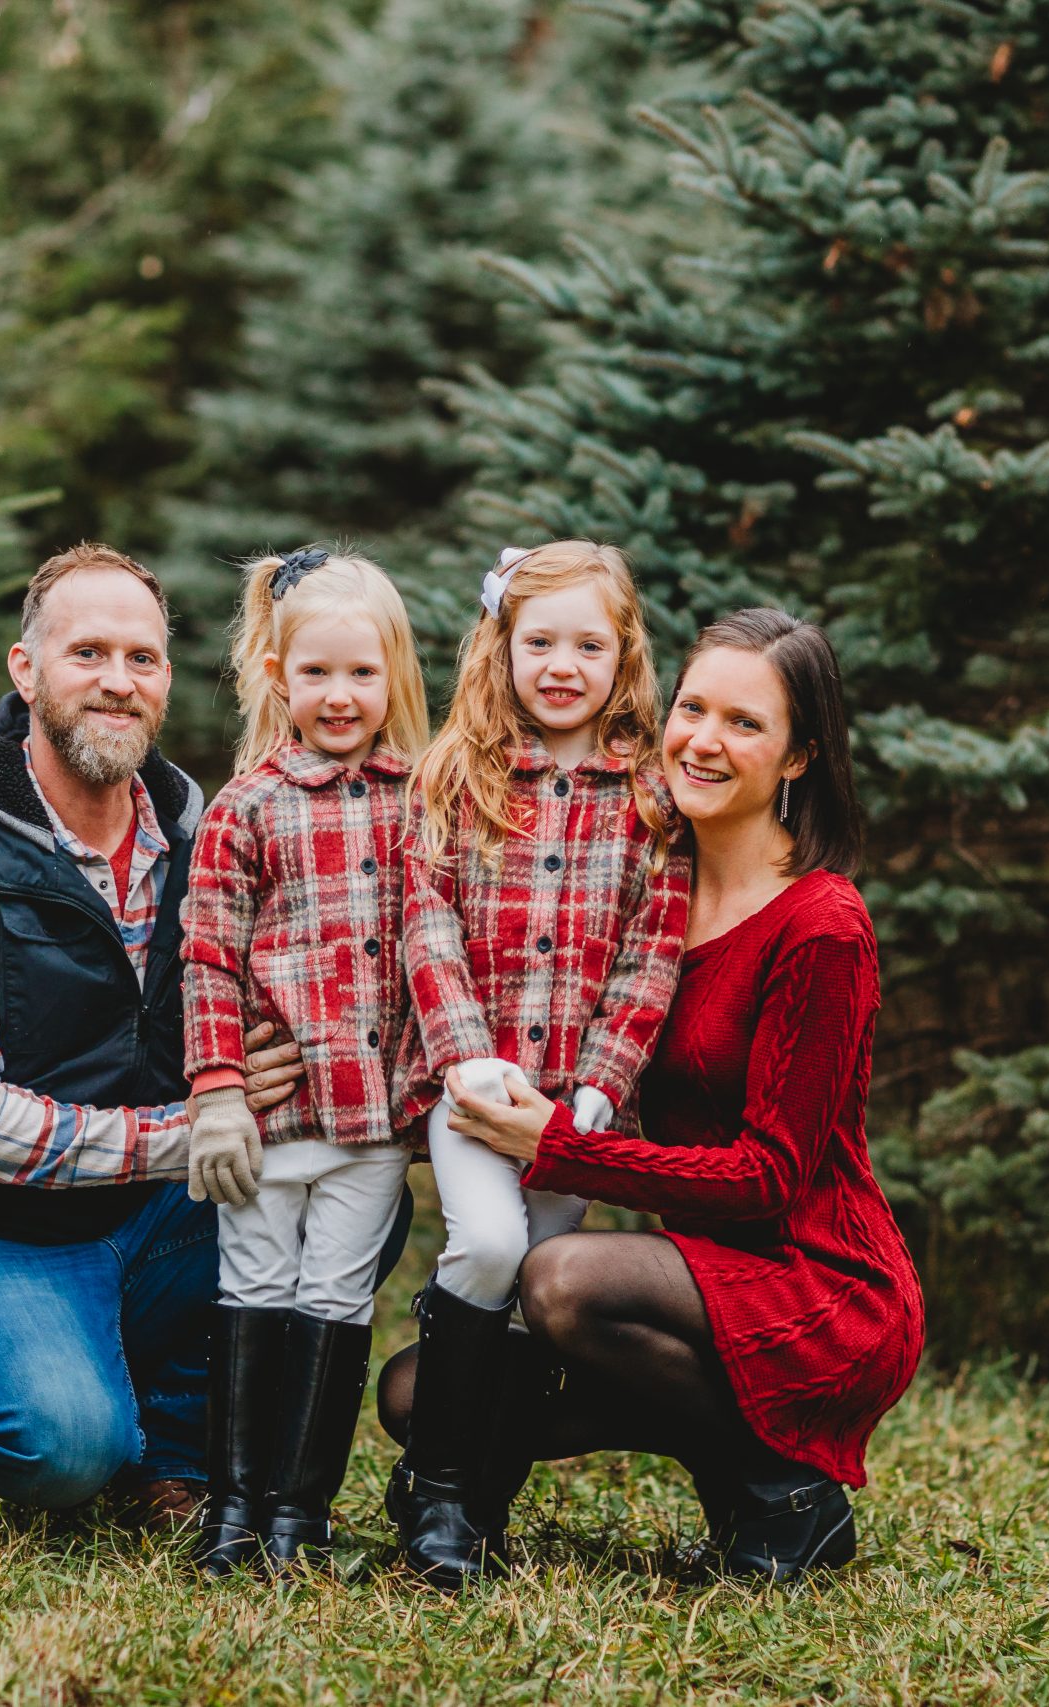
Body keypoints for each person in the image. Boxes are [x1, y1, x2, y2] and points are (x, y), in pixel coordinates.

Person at [414, 605, 925, 1583]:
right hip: (693, 1274)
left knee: (557, 1280)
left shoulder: (820, 926)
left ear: (799, 757)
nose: (702, 740)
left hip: (815, 1279)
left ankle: (784, 1495)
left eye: (745, 723)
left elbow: (769, 1179)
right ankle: (730, 1459)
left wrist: (556, 1148)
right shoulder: (644, 888)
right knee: (420, 1399)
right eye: (693, 708)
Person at [0, 542, 314, 1525]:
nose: (117, 682)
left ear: (168, 681)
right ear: (25, 669)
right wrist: (193, 1131)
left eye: (143, 658)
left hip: (129, 1217)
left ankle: (170, 1455)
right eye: (87, 653)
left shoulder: (199, 848)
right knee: (60, 1450)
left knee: (322, 1185)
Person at [387, 539, 690, 1588]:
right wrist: (466, 1061)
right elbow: (426, 926)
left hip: (576, 1110)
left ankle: (471, 1505)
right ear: (500, 646)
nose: (561, 665)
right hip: (473, 1091)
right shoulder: (459, 774)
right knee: (480, 1244)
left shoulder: (650, 799)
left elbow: (651, 957)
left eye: (587, 645)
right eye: (539, 641)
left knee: (526, 1276)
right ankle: (434, 1501)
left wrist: (601, 1086)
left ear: (622, 656)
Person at [176, 546, 434, 1575]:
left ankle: (299, 1516)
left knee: (337, 1296)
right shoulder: (246, 806)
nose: (339, 695)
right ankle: (231, 1512)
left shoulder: (420, 801)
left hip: (369, 1119)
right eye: (315, 673)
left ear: (393, 680)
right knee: (255, 1287)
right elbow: (204, 958)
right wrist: (216, 1089)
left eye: (360, 674)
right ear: (278, 677)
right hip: (274, 1120)